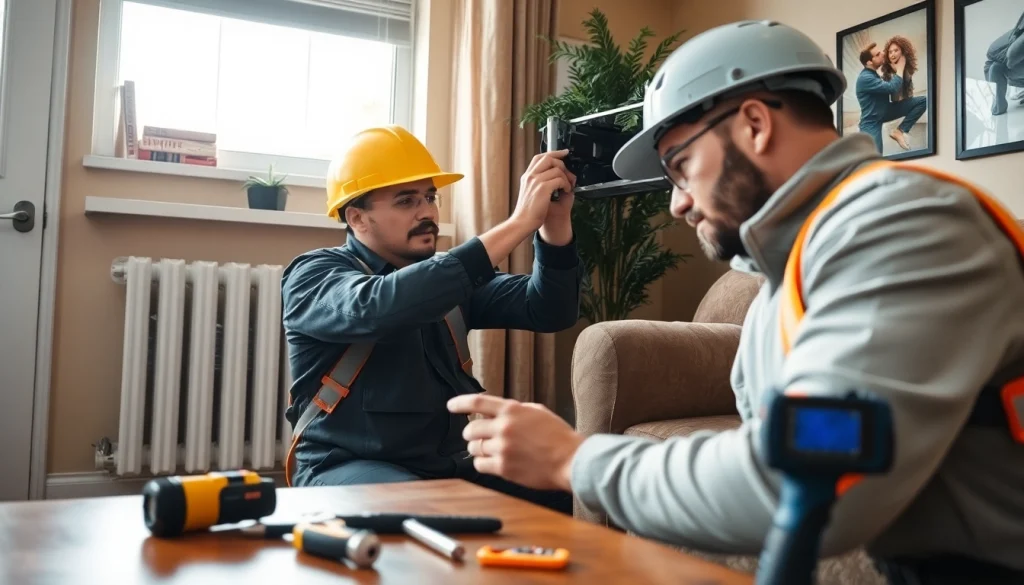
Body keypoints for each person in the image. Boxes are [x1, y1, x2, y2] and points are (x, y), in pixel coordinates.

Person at [447, 20, 1024, 584]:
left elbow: (807, 480)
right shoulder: (791, 271)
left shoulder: (901, 226)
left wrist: (574, 460)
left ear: (753, 124)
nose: (676, 204)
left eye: (679, 167)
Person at [281, 125, 581, 514]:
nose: (427, 212)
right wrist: (519, 222)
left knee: (567, 487)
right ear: (357, 218)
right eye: (406, 201)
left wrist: (553, 226)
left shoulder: (448, 278)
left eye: (430, 197)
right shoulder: (313, 274)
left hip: (446, 468)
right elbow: (377, 307)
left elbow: (549, 309)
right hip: (342, 466)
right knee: (433, 511)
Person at [854, 41, 926, 152]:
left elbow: (895, 91)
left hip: (886, 110)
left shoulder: (875, 74)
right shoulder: (865, 78)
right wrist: (900, 68)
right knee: (875, 158)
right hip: (871, 122)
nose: (883, 53)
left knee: (922, 101)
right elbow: (892, 88)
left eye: (881, 51)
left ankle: (900, 131)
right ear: (869, 62)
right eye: (877, 54)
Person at [984, 10, 1024, 116]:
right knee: (997, 68)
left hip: (1011, 66)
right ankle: (998, 106)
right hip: (998, 67)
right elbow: (1011, 57)